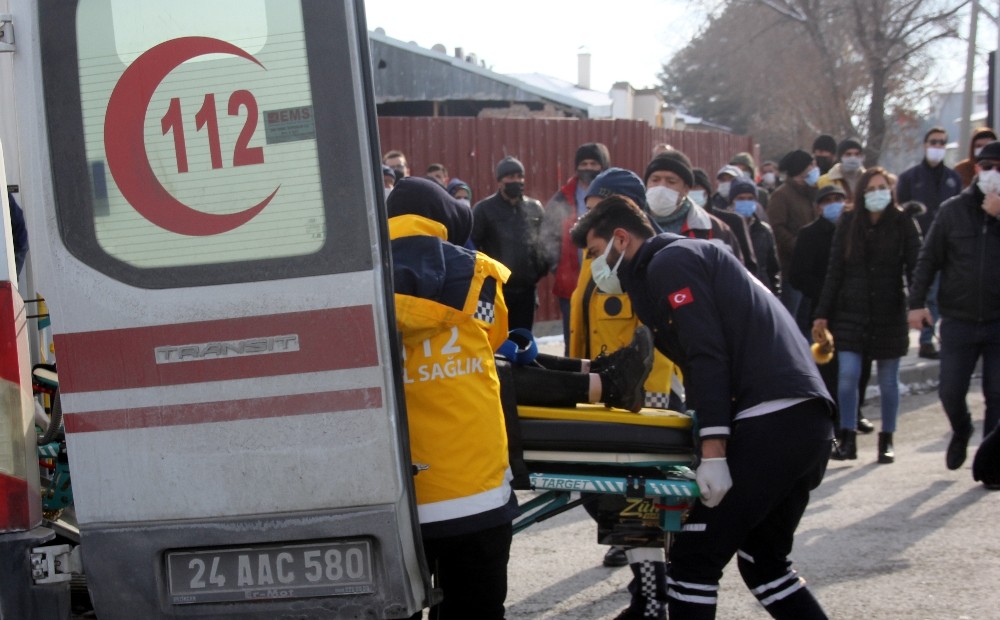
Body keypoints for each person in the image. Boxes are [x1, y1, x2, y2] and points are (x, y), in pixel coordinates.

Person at [570, 196, 834, 620]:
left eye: (597, 254)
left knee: (693, 562)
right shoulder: (683, 258)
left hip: (771, 419)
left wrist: (713, 451)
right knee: (764, 563)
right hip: (805, 421)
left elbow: (706, 355)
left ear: (621, 238)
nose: (595, 268)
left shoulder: (669, 263)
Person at [386, 177, 516, 620]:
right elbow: (494, 334)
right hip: (474, 495)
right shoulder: (478, 277)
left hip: (392, 499)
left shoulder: (361, 277)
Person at [572, 167, 688, 617]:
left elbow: (654, 342)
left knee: (639, 501)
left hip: (643, 397)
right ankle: (650, 590)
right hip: (602, 392)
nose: (589, 221)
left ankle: (653, 595)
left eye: (597, 209)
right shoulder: (596, 257)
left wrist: (652, 402)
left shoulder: (647, 261)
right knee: (610, 496)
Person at [813, 167, 921, 463]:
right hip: (851, 312)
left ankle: (887, 438)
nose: (877, 194)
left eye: (881, 187)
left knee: (888, 380)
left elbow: (916, 268)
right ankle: (847, 437)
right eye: (870, 189)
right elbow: (835, 269)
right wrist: (822, 313)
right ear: (860, 194)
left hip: (890, 312)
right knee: (847, 376)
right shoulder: (849, 222)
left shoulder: (903, 222)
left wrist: (918, 305)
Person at [907, 140, 1000, 484]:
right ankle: (961, 430)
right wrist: (916, 304)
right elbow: (928, 259)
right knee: (950, 391)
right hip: (959, 318)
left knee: (997, 395)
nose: (993, 175)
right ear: (976, 170)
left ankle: (991, 466)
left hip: (997, 320)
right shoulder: (952, 210)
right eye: (987, 166)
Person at [790, 185, 876, 437]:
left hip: (857, 311)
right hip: (822, 312)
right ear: (818, 206)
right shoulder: (809, 234)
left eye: (838, 199)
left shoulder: (858, 229)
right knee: (828, 369)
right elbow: (797, 275)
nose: (834, 204)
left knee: (860, 367)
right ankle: (833, 419)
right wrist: (825, 293)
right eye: (827, 200)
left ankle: (855, 413)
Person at [896, 126, 962, 360]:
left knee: (942, 295)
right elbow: (900, 212)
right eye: (933, 142)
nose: (937, 147)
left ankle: (932, 337)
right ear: (925, 145)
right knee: (924, 293)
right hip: (920, 245)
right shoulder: (909, 178)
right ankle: (925, 338)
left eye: (942, 143)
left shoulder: (954, 179)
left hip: (950, 245)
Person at [541, 142, 611, 353]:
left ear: (603, 166)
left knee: (606, 336)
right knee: (574, 339)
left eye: (594, 163)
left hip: (609, 280)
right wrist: (557, 267)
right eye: (584, 163)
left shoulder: (614, 195)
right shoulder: (562, 197)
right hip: (571, 281)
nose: (588, 168)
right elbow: (548, 233)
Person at [471, 156, 550, 331]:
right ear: (500, 181)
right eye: (510, 177)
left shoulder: (534, 208)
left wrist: (538, 270)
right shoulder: (484, 209)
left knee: (522, 343)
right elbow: (472, 246)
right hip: (494, 292)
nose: (516, 181)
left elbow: (545, 243)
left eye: (519, 176)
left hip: (526, 292)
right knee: (492, 343)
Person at [643, 152, 743, 262]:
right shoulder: (630, 223)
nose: (661, 186)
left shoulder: (713, 229)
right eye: (655, 180)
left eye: (671, 181)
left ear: (686, 189)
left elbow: (731, 274)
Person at [769, 149, 820, 335]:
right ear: (801, 169)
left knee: (808, 320)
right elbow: (778, 228)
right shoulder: (781, 195)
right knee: (791, 318)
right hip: (792, 269)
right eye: (811, 166)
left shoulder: (812, 194)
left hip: (813, 269)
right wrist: (800, 248)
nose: (815, 169)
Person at [697, 167, 758, 274]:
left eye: (730, 179)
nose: (726, 183)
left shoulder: (729, 222)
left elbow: (747, 263)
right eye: (723, 180)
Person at [729, 176, 780, 294]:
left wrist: (775, 293)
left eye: (750, 198)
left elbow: (772, 268)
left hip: (761, 291)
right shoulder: (725, 228)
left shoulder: (764, 230)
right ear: (732, 201)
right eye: (741, 198)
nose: (746, 202)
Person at [818, 138, 866, 205]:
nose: (853, 158)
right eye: (848, 154)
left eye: (857, 154)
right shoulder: (824, 180)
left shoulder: (868, 179)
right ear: (840, 157)